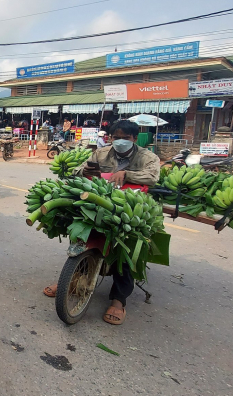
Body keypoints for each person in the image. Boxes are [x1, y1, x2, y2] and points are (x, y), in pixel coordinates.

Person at [42, 120, 160, 326]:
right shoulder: (101, 153)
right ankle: (72, 277)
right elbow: (79, 170)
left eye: (125, 138)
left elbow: (152, 176)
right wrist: (84, 171)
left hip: (131, 203)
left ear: (134, 138)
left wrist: (127, 173)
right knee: (81, 230)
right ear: (110, 138)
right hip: (99, 199)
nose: (120, 141)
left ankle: (119, 299)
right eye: (116, 137)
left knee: (126, 245)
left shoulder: (147, 157)